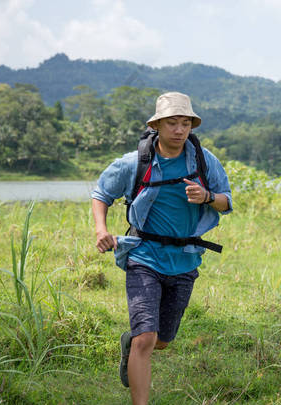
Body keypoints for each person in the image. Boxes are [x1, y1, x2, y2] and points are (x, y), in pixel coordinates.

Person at [91, 92, 232, 405]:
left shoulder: (204, 161)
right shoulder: (136, 163)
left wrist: (207, 196)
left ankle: (131, 345)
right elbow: (102, 192)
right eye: (172, 122)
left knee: (163, 341)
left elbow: (226, 201)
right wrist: (102, 230)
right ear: (157, 124)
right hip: (143, 257)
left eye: (185, 123)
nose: (179, 130)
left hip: (184, 261)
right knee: (147, 338)